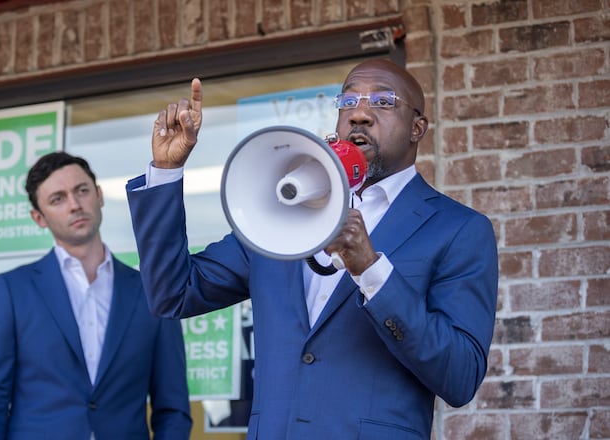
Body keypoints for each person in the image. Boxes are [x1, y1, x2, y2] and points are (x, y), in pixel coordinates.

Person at [125, 58, 499, 439]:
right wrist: (166, 170)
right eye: (348, 102)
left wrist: (371, 271)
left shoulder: (457, 230)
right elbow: (173, 294)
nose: (360, 115)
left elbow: (461, 376)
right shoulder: (279, 215)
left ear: (418, 128)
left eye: (383, 102)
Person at [0, 152, 192, 440]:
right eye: (57, 199)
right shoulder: (11, 290)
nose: (74, 205)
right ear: (39, 218)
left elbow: (173, 408)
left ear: (99, 195)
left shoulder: (152, 291)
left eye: (81, 191)